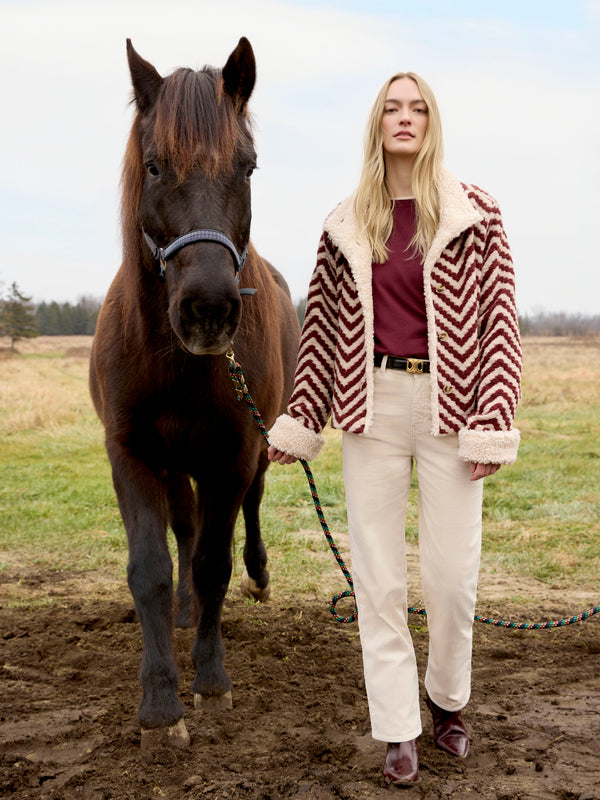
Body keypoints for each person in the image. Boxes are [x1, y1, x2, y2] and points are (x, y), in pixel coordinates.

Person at [267, 71, 522, 787]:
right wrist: (300, 418)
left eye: (417, 108)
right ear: (377, 125)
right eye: (391, 109)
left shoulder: (476, 213)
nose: (404, 118)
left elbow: (499, 320)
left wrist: (493, 417)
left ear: (432, 122)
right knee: (377, 580)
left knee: (451, 579)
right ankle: (398, 728)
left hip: (452, 407)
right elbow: (321, 329)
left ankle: (447, 702)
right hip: (370, 407)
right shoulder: (346, 222)